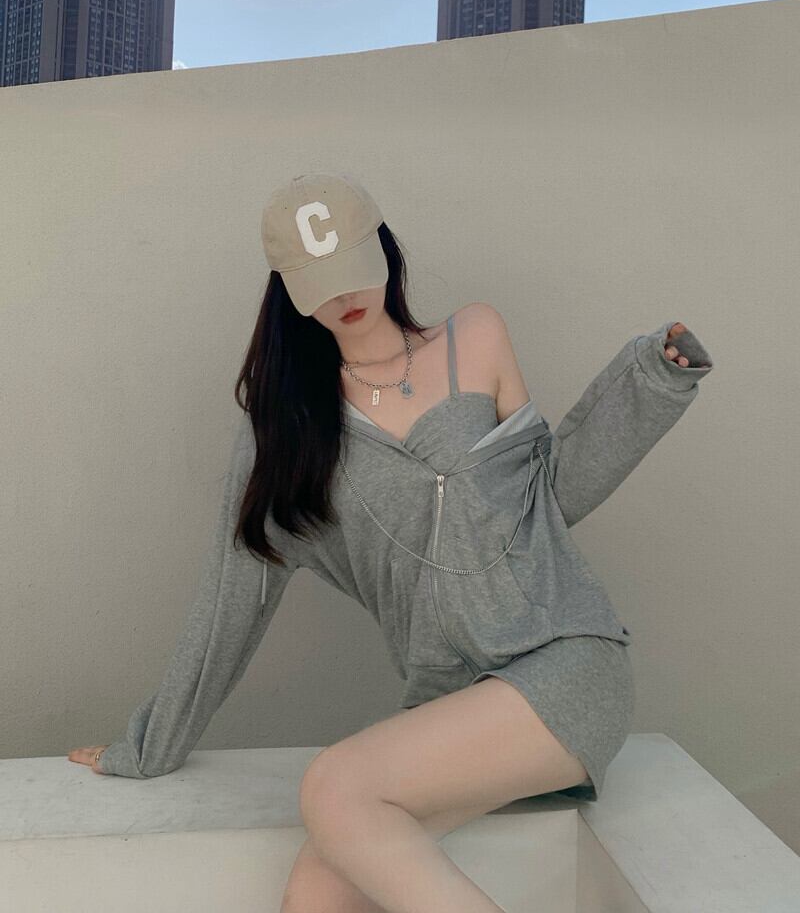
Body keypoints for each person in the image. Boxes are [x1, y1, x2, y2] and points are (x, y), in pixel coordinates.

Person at [69, 172, 714, 913]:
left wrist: (647, 384)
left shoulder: (476, 336)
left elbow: (547, 497)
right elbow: (230, 602)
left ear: (384, 249)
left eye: (354, 265)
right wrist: (151, 745)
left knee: (333, 785)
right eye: (319, 282)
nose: (345, 295)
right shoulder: (285, 433)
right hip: (453, 707)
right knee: (316, 894)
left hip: (565, 661)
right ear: (289, 293)